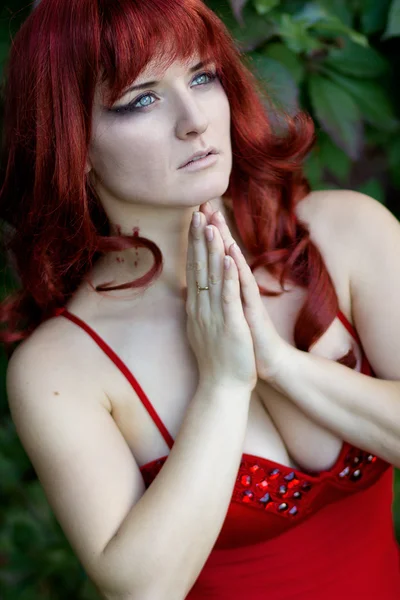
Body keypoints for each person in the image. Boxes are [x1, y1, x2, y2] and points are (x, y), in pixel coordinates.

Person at [1, 0, 400, 598]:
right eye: (141, 99)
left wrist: (279, 363)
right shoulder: (60, 367)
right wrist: (222, 384)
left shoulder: (345, 233)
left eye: (202, 76)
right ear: (73, 144)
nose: (194, 120)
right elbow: (143, 589)